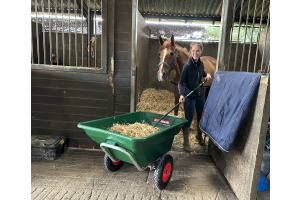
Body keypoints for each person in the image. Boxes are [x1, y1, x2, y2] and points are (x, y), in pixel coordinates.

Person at [178, 42, 212, 152]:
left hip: (200, 95)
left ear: (201, 51)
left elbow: (202, 72)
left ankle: (199, 136)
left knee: (201, 116)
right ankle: (186, 142)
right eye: (193, 50)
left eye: (197, 50)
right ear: (190, 51)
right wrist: (181, 94)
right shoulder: (187, 66)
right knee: (188, 118)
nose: (195, 53)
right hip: (190, 96)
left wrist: (206, 75)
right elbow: (180, 82)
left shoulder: (201, 63)